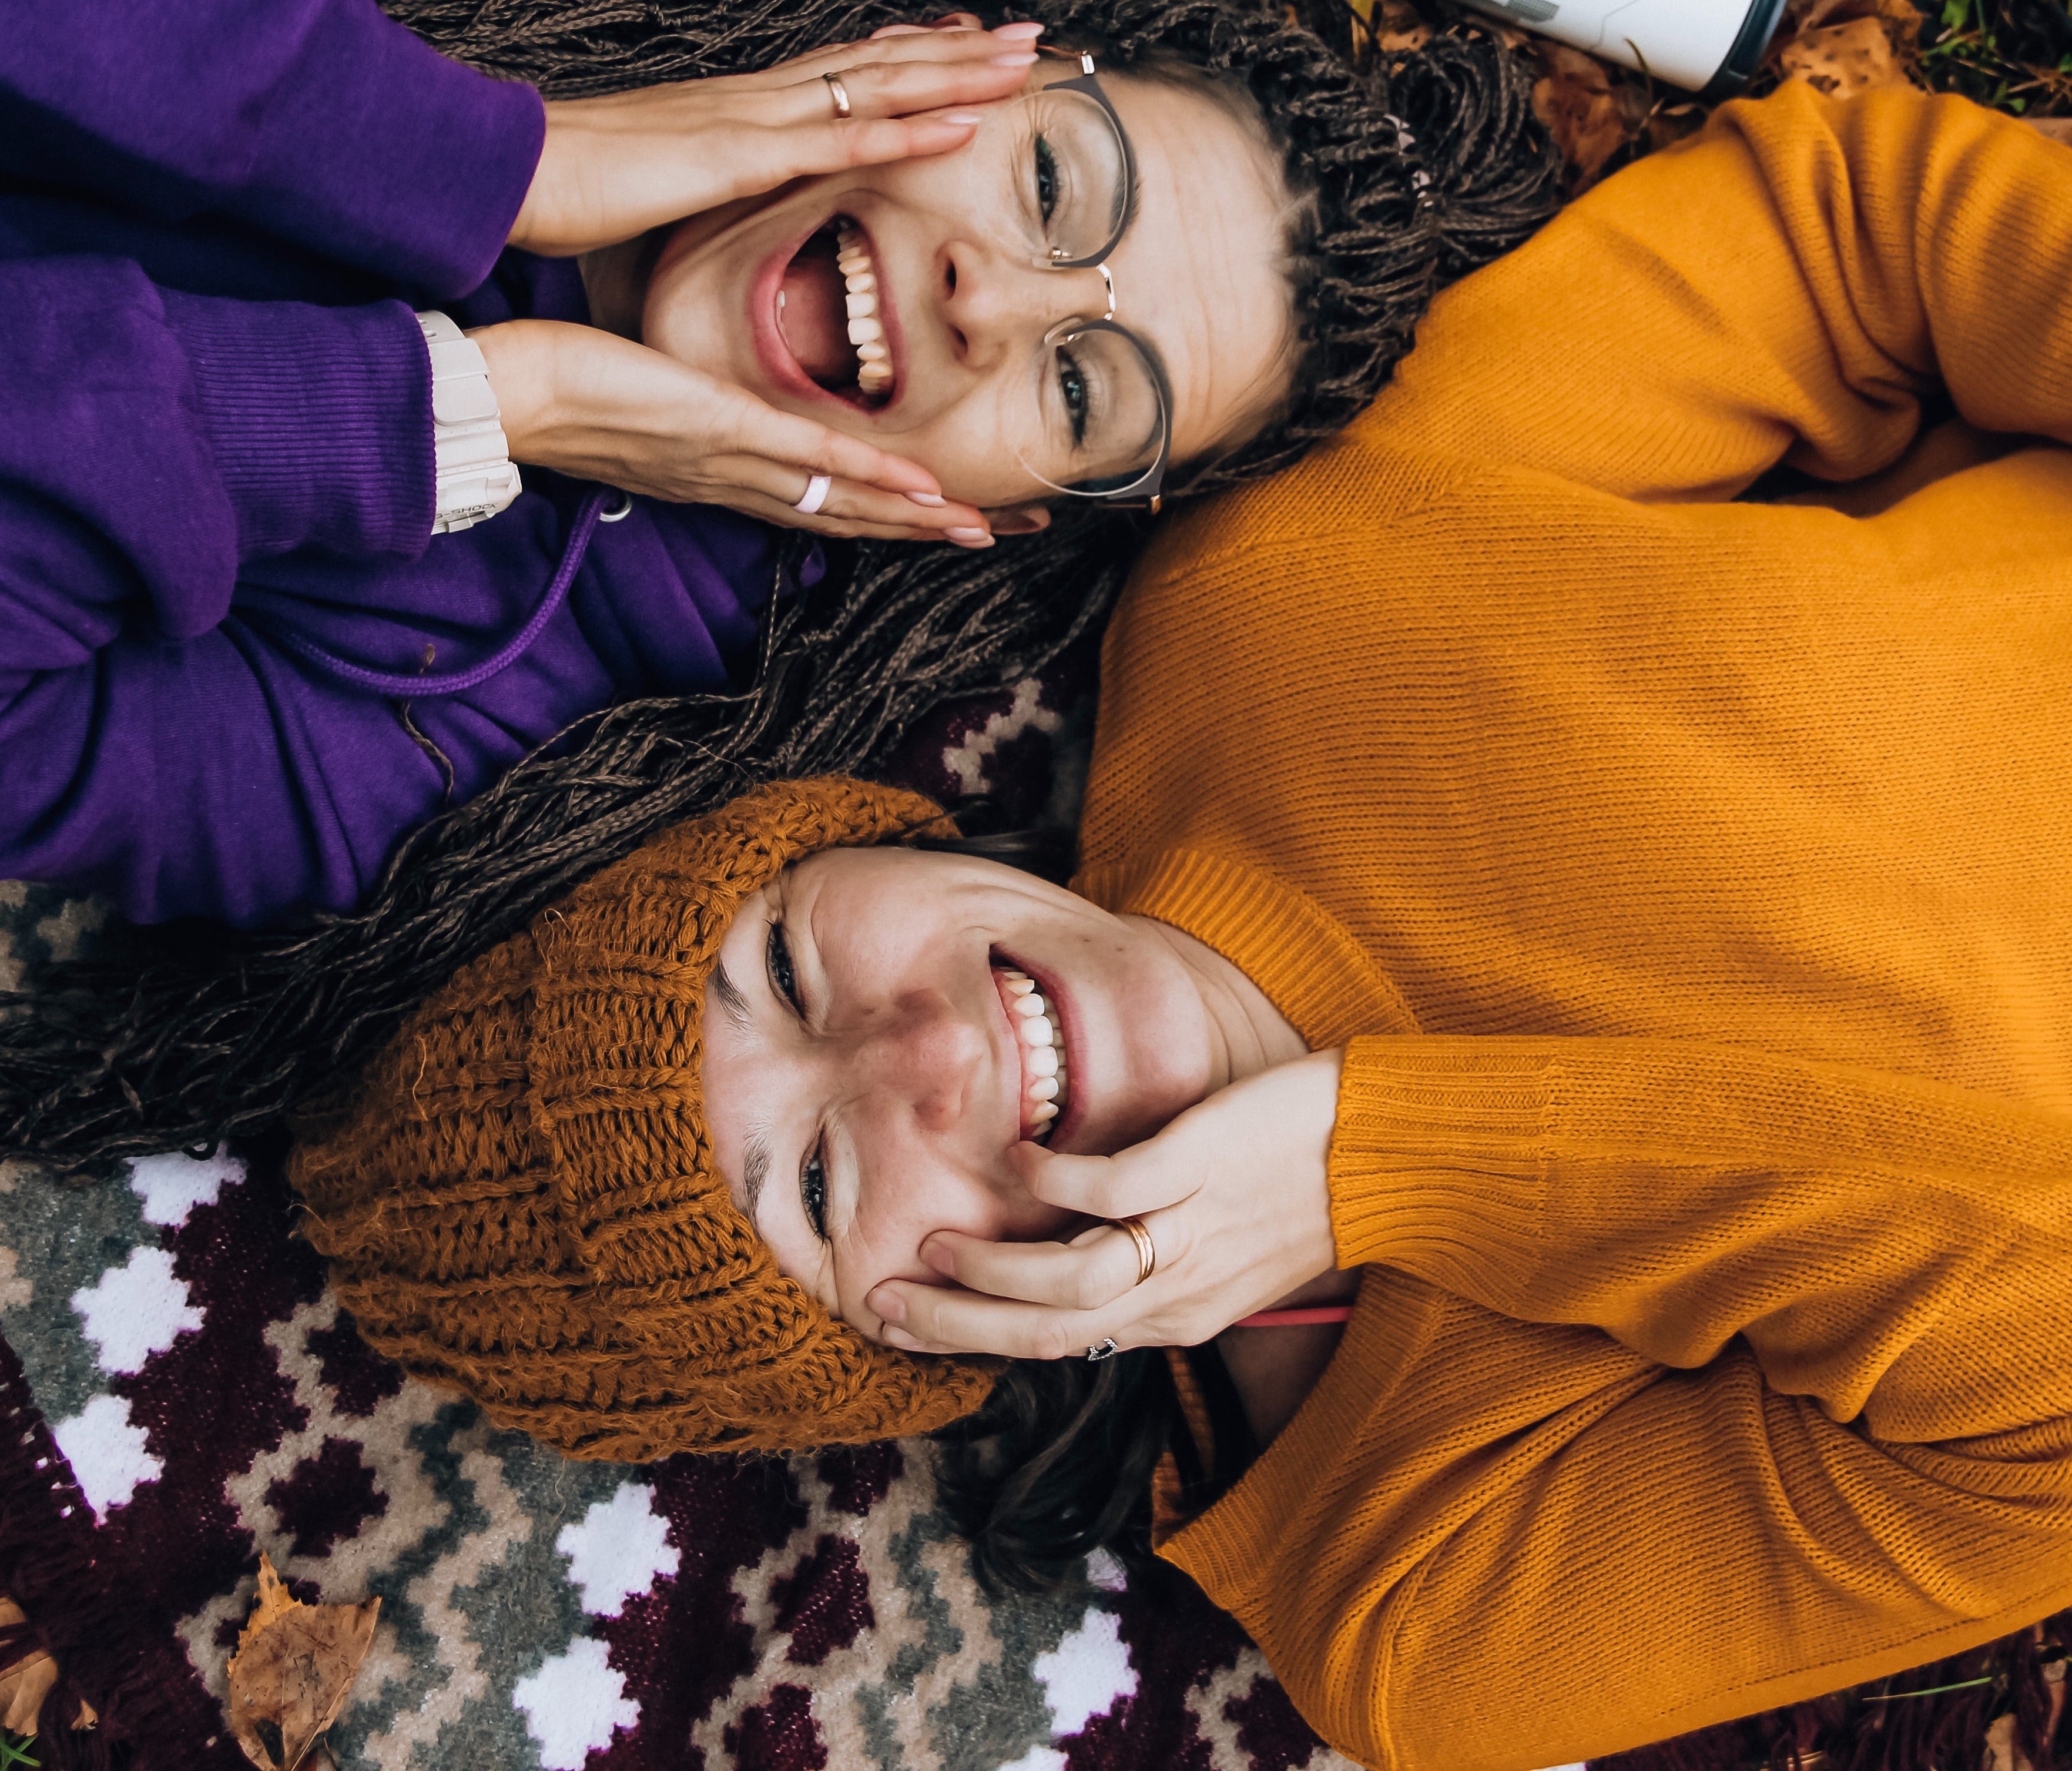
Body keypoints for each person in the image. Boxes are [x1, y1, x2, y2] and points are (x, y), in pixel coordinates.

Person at [281, 76, 2072, 1771]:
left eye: (789, 966)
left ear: (854, 840)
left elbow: (1839, 227)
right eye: (819, 1188)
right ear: (894, 1354)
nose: (923, 1051)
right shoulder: (1413, 1604)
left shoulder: (1271, 607)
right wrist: (1390, 1157)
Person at [0, 0, 1551, 930]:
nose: (993, 301)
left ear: (997, 521)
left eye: (1085, 388)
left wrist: (450, 412)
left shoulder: (466, 746)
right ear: (950, 54)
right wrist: (503, 159)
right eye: (1051, 180)